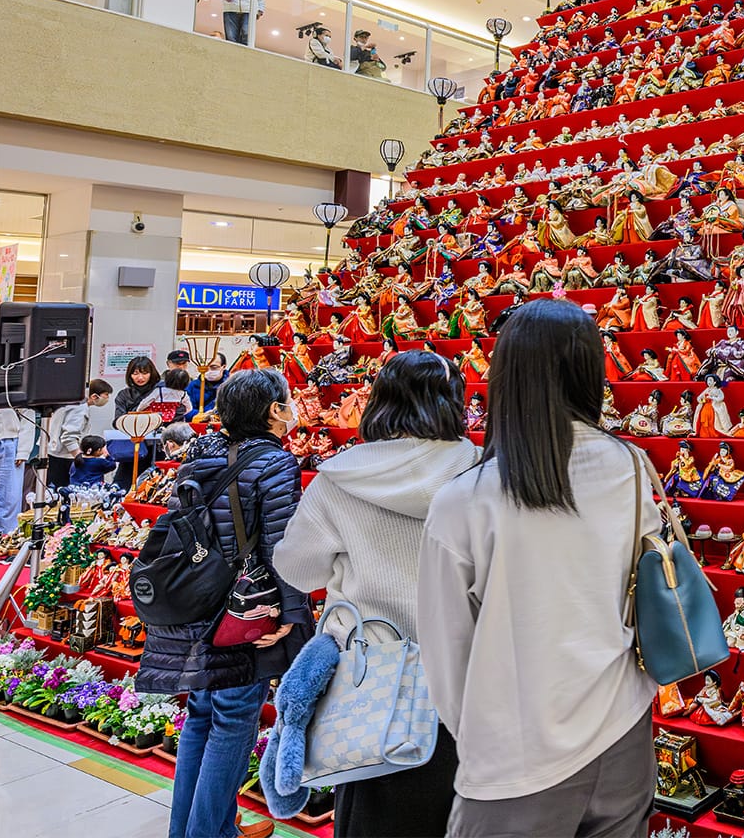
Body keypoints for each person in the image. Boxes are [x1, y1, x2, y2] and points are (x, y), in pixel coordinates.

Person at [417, 300, 657, 837]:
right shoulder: (630, 468)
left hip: (515, 751)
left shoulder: (465, 500)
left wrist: (482, 734)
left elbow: (445, 651)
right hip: (623, 731)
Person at [275, 350, 479, 836]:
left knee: (371, 807)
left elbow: (298, 569)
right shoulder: (479, 471)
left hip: (369, 676)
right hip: (463, 673)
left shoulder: (341, 477)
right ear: (453, 401)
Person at [137, 368, 311, 838]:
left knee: (201, 713)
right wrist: (294, 616)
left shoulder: (199, 455)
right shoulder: (275, 464)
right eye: (287, 402)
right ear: (274, 411)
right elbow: (280, 549)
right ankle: (210, 832)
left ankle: (192, 829)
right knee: (234, 716)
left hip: (195, 601)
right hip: (240, 609)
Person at [45, 378, 112, 489]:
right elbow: (69, 437)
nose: (107, 398)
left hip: (55, 453)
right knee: (63, 492)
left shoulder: (73, 402)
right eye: (106, 395)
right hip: (63, 457)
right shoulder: (79, 409)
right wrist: (80, 458)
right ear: (94, 396)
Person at [0, 405, 41, 532]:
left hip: (11, 441)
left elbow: (27, 410)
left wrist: (23, 449)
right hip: (9, 441)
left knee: (10, 499)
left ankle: (8, 541)